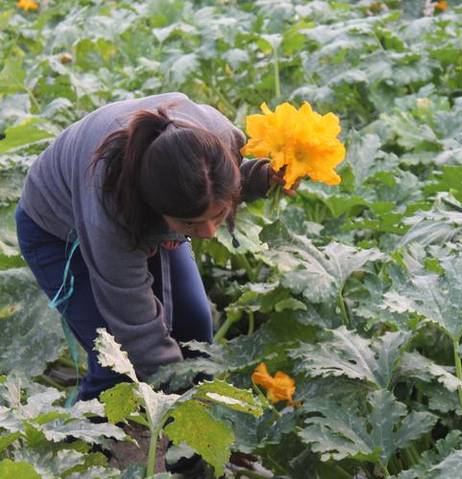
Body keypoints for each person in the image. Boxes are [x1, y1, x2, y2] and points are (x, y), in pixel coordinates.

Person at [15, 92, 288, 402]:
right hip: (56, 231)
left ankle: (192, 444)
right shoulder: (110, 206)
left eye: (217, 217)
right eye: (190, 224)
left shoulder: (218, 137)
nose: (209, 233)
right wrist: (179, 397)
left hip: (145, 215)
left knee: (195, 327)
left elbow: (227, 185)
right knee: (117, 365)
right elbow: (135, 326)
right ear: (157, 209)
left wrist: (263, 176)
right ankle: (81, 443)